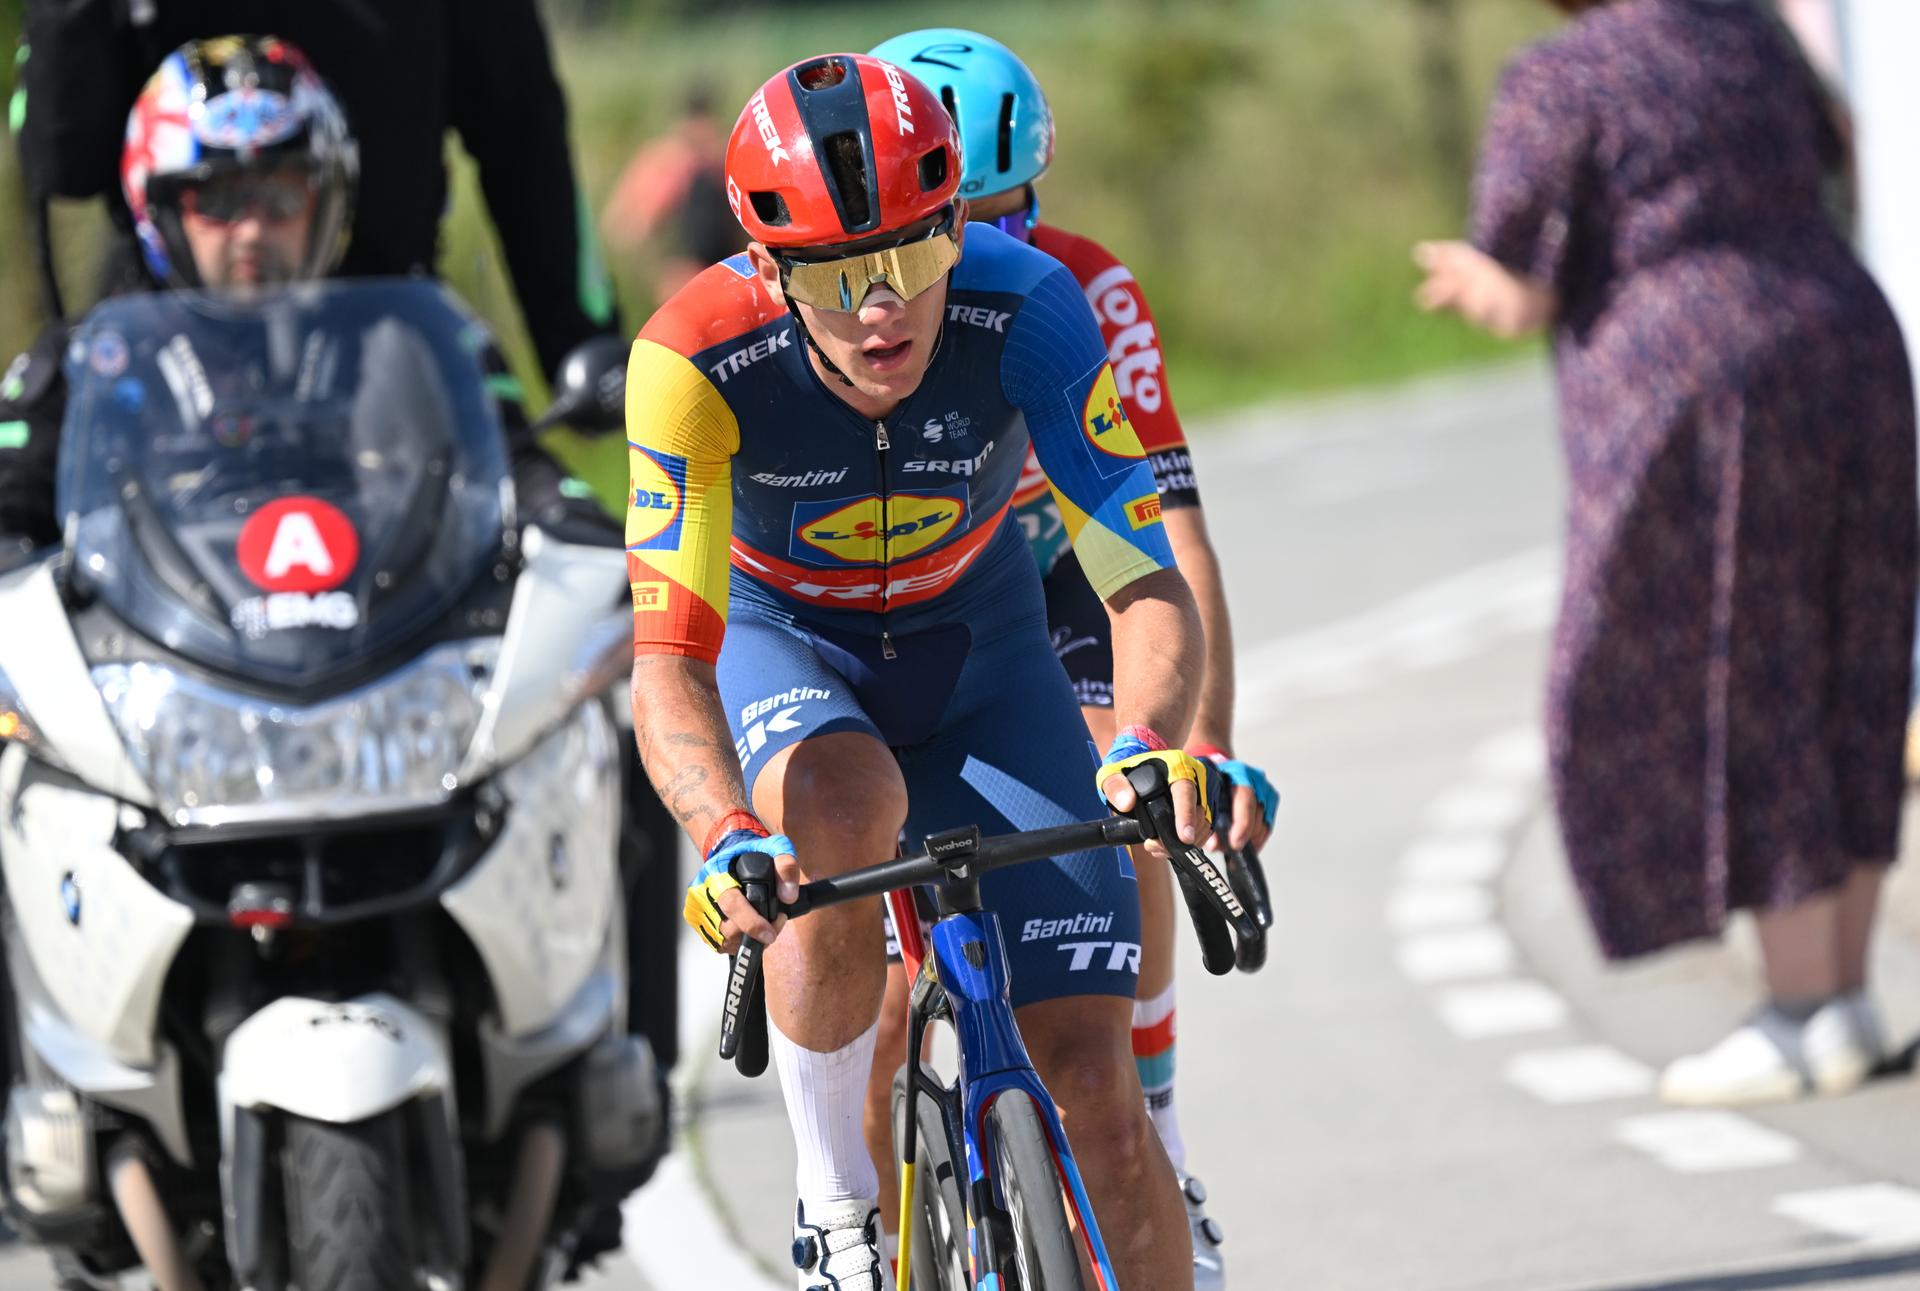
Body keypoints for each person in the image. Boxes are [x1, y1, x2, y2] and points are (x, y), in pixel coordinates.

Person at [635, 53, 1213, 1290]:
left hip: (984, 650)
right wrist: (725, 830)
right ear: (768, 270)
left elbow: (1144, 580)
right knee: (841, 811)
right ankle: (837, 1209)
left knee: (1104, 1102)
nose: (881, 309)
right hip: (788, 642)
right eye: (834, 276)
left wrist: (1148, 740)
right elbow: (669, 659)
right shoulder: (691, 359)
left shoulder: (1031, 304)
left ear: (959, 225)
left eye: (912, 255)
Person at [1415, 0, 1915, 1106]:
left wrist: (1466, 276)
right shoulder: (1748, 30)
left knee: (1745, 671)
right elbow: (1841, 152)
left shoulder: (1562, 76)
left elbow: (1524, 287)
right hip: (1850, 338)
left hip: (1697, 383)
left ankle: (1800, 1010)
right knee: (1853, 661)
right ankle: (1846, 994)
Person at [860, 28, 1276, 1288]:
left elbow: (1173, 540)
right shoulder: (855, 320)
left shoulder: (1084, 289)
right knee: (881, 995)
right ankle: (874, 1235)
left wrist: (1203, 746)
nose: (978, 250)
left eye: (1008, 216)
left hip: (1057, 572)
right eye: (951, 222)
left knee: (1129, 797)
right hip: (901, 598)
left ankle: (1159, 1134)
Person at [12, 0, 620, 381]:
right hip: (168, 346)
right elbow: (63, 165)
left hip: (388, 350)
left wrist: (580, 341)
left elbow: (522, 128)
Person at [600, 83, 748, 301]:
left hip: (724, 277)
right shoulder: (666, 164)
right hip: (680, 278)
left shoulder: (721, 160)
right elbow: (627, 229)